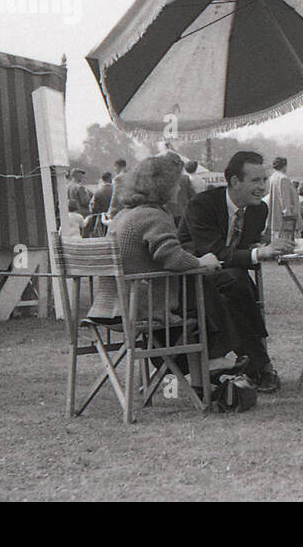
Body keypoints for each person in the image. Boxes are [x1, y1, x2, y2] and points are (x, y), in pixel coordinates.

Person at [87, 157, 237, 384]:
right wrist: (202, 263)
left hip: (108, 307)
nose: (179, 188)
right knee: (203, 283)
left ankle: (203, 364)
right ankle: (216, 357)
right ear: (163, 186)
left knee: (197, 288)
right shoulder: (153, 215)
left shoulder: (123, 216)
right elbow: (172, 258)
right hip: (141, 307)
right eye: (176, 183)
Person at [179, 151, 294, 394]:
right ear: (234, 181)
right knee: (237, 281)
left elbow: (241, 250)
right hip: (190, 279)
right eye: (255, 181)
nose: (262, 187)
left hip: (229, 281)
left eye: (264, 180)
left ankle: (246, 363)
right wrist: (258, 254)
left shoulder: (258, 210)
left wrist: (258, 248)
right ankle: (258, 364)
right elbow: (213, 253)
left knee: (237, 282)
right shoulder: (202, 205)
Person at [264, 156, 297, 243]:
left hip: (274, 218)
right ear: (285, 165)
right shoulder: (283, 178)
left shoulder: (272, 178)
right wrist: (288, 217)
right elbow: (285, 199)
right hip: (284, 220)